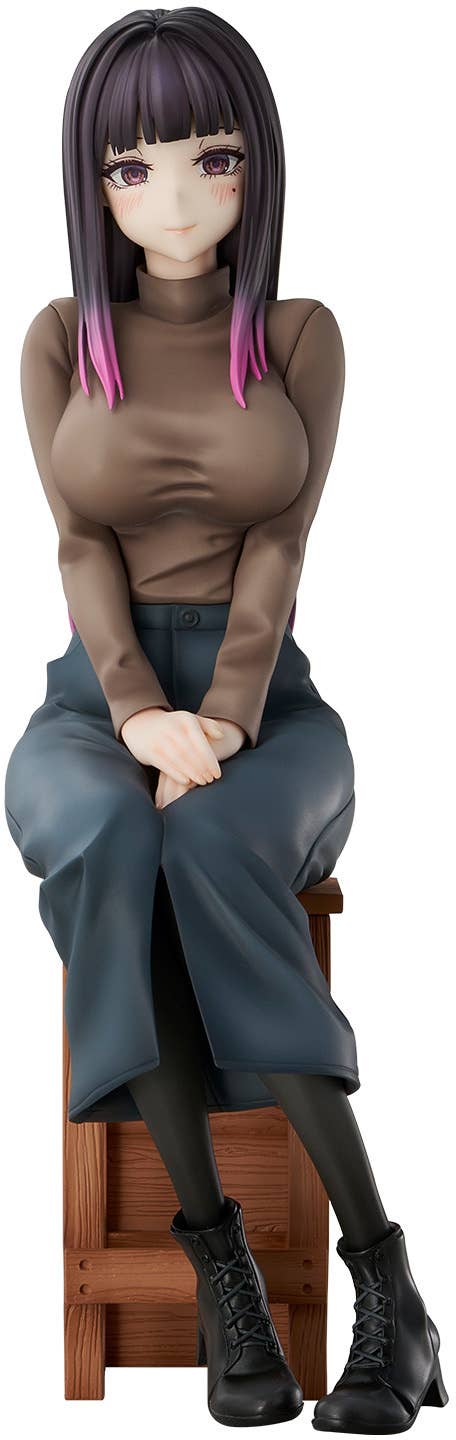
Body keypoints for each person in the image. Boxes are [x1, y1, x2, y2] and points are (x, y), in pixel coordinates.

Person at [4, 8, 448, 1431]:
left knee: (204, 846)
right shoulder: (62, 337)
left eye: (214, 158)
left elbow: (282, 543)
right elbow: (79, 542)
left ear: (258, 163)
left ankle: (389, 1286)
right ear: (94, 183)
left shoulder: (300, 335)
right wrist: (138, 712)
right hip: (98, 700)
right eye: (132, 168)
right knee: (108, 843)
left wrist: (229, 722)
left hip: (268, 704)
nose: (180, 200)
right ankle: (223, 1270)